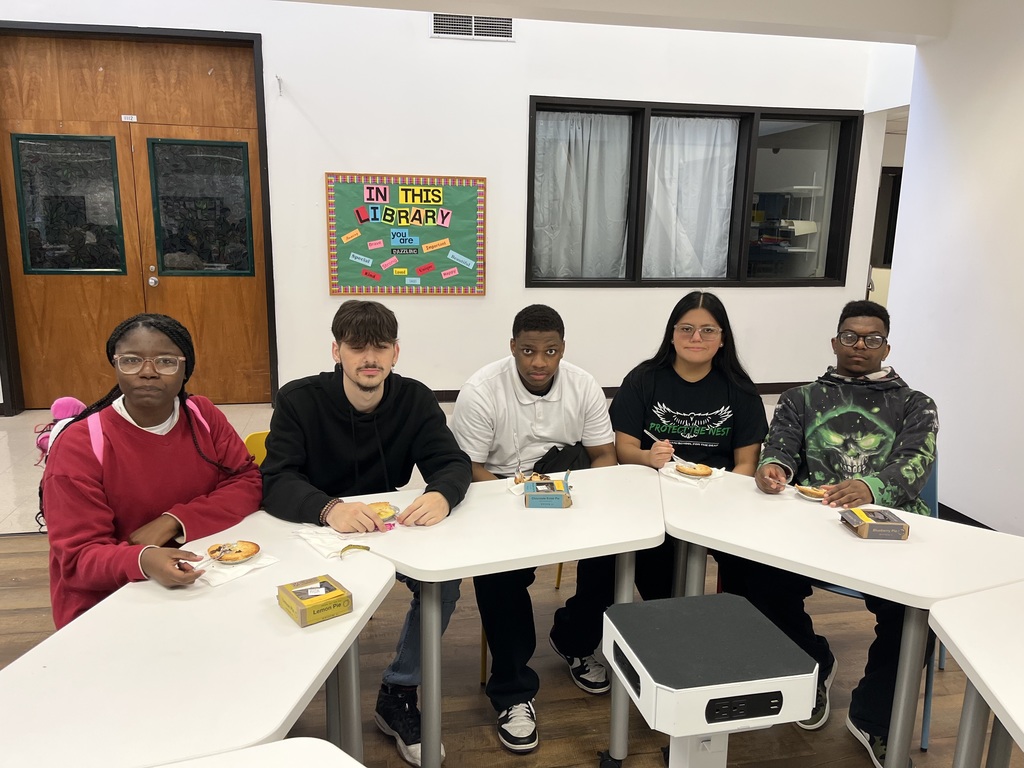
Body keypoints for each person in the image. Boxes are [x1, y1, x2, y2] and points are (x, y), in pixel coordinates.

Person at [720, 299, 939, 768]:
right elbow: (778, 447)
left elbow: (915, 466)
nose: (860, 346)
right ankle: (811, 663)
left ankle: (873, 719)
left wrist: (868, 487)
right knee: (749, 577)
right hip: (812, 527)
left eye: (872, 339)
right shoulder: (801, 398)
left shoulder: (916, 404)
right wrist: (772, 468)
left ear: (886, 346)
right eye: (851, 336)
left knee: (914, 619)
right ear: (835, 341)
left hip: (890, 532)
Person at [260, 300, 471, 768]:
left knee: (445, 584)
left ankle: (398, 692)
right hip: (315, 528)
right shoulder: (298, 399)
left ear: (396, 353)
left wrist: (442, 494)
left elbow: (452, 463)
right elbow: (274, 480)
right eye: (357, 347)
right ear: (336, 351)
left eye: (380, 347)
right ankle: (280, 701)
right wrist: (327, 508)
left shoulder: (414, 398)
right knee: (285, 598)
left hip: (387, 528)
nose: (369, 358)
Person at [550, 290, 767, 689]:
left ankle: (739, 646)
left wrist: (722, 500)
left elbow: (746, 464)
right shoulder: (645, 379)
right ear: (672, 334)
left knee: (754, 568)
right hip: (647, 498)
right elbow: (622, 448)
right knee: (610, 556)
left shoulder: (739, 389)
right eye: (686, 328)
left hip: (717, 503)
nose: (695, 338)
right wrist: (649, 457)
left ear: (722, 338)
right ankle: (576, 638)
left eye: (707, 330)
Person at [449, 304, 616, 754]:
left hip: (568, 484)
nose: (539, 362)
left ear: (563, 350)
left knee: (617, 553)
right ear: (512, 348)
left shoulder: (583, 385)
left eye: (550, 351)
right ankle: (513, 691)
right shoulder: (482, 390)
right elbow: (468, 468)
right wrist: (523, 497)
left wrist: (583, 500)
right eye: (527, 351)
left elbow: (603, 456)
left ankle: (575, 638)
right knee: (498, 575)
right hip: (498, 489)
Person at [42, 313, 262, 629]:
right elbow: (77, 558)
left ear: (186, 369)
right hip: (110, 604)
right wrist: (143, 559)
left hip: (202, 581)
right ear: (115, 365)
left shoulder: (202, 416)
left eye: (166, 362)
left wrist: (174, 522)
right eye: (131, 361)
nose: (148, 373)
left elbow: (248, 480)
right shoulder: (80, 445)